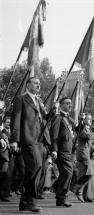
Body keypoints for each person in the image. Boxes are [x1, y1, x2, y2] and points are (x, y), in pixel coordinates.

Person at [10, 77, 51, 213]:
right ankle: (31, 201)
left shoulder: (39, 101)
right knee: (36, 165)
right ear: (27, 85)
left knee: (34, 170)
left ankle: (24, 201)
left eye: (39, 83)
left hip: (40, 141)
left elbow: (44, 119)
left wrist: (52, 111)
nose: (38, 85)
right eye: (35, 83)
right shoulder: (20, 99)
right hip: (28, 139)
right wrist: (14, 140)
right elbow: (15, 119)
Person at [51, 97, 75, 207]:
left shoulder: (69, 118)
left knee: (66, 174)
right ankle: (61, 197)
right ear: (61, 105)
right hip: (61, 150)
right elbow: (54, 135)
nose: (70, 105)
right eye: (67, 103)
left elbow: (73, 134)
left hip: (69, 150)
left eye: (70, 103)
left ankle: (59, 195)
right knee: (68, 173)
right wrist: (54, 150)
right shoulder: (57, 117)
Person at [74, 113, 94, 203]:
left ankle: (87, 196)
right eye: (88, 119)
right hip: (83, 154)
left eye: (91, 119)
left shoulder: (90, 130)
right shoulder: (81, 128)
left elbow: (91, 145)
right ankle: (77, 188)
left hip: (89, 155)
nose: (90, 120)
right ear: (84, 120)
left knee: (90, 176)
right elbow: (87, 137)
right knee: (88, 174)